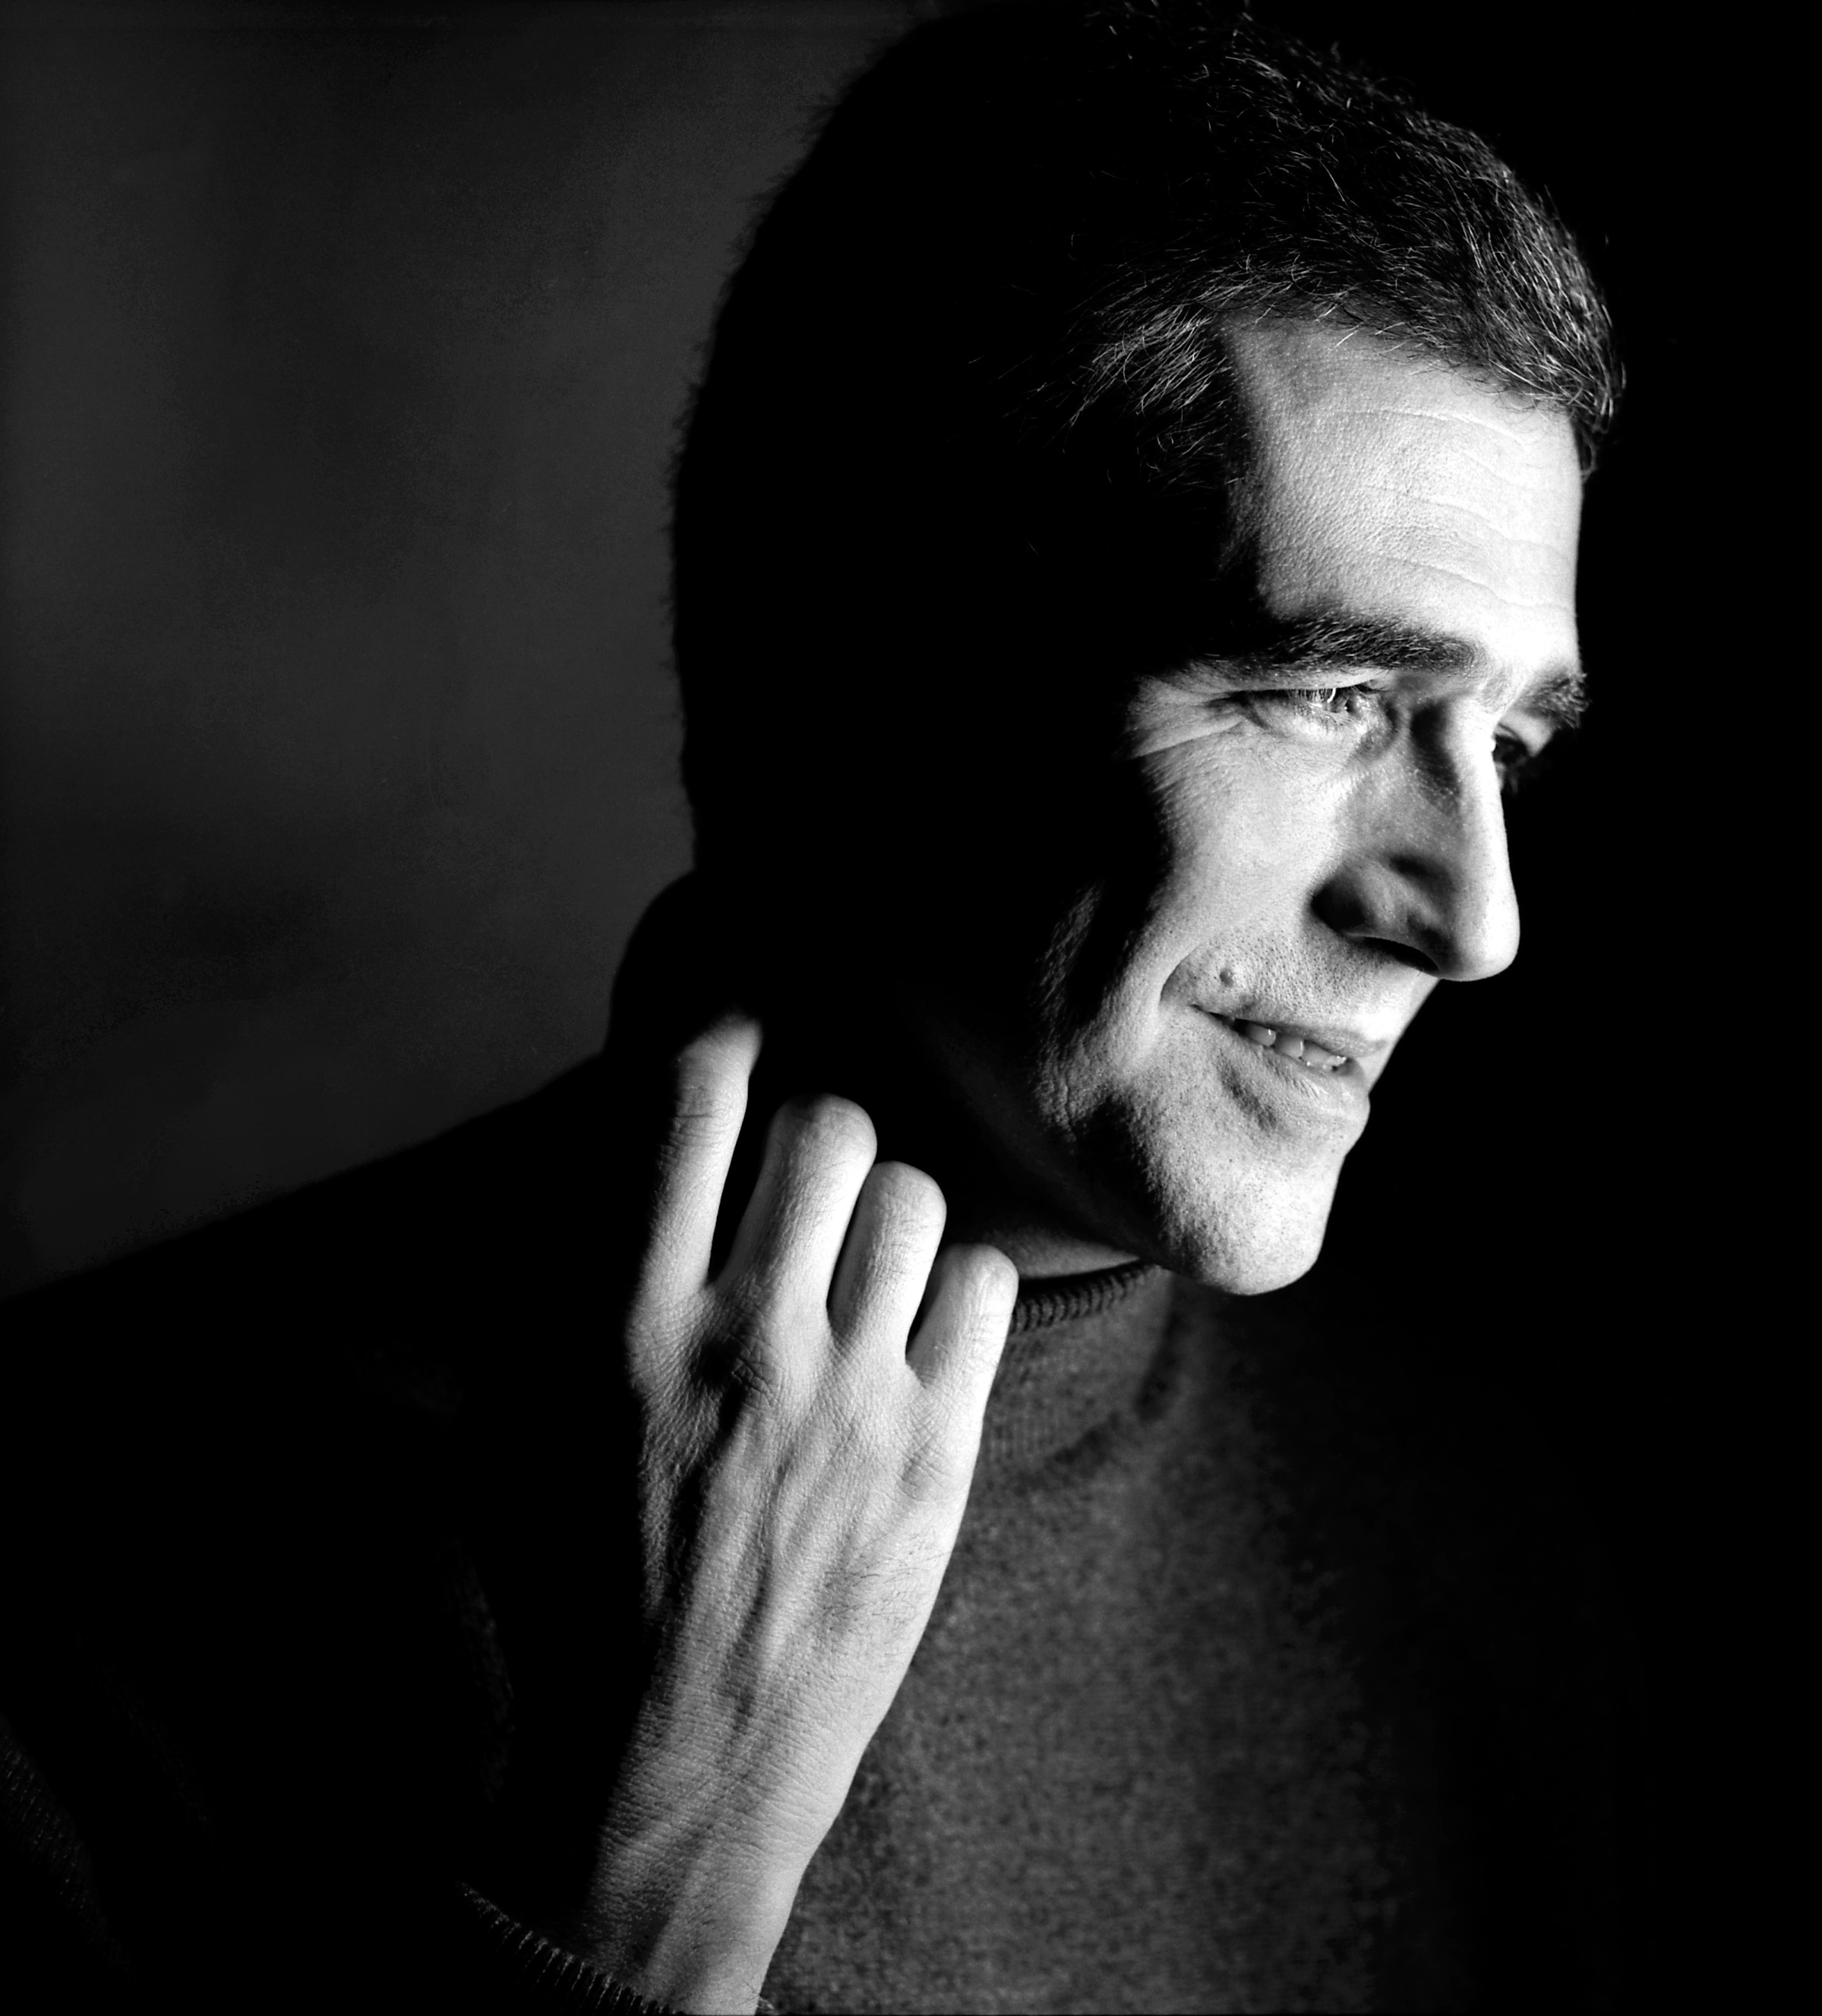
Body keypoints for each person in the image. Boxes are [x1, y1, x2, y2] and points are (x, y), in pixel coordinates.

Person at [0, 2, 1625, 2008]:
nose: (1475, 920)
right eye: (1333, 696)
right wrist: (653, 1876)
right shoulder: (69, 1568)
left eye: (1509, 743)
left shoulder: (1491, 1570)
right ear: (878, 670)